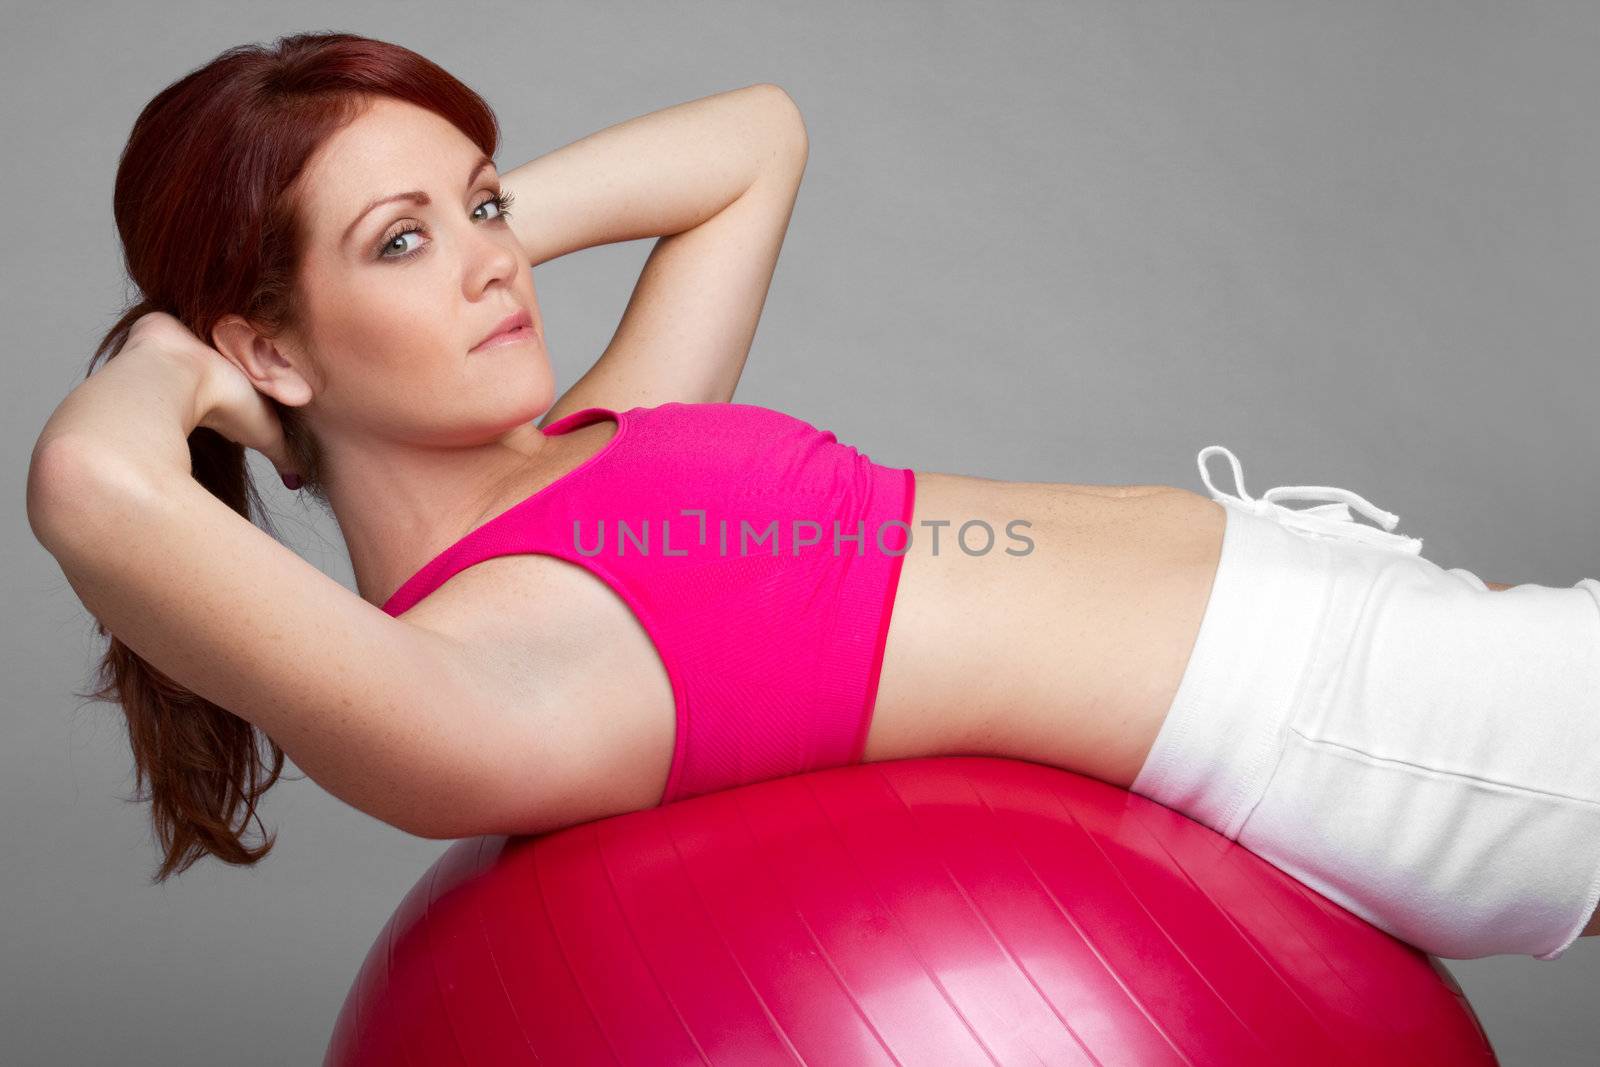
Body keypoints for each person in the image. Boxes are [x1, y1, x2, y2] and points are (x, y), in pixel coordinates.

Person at [23, 32, 1600, 962]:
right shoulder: (488, 670)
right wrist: (187, 361)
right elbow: (94, 483)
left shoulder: (595, 453)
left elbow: (751, 141)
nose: (500, 255)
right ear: (265, 347)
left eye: (483, 202)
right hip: (1351, 727)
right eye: (401, 243)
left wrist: (446, 231)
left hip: (1378, 638)